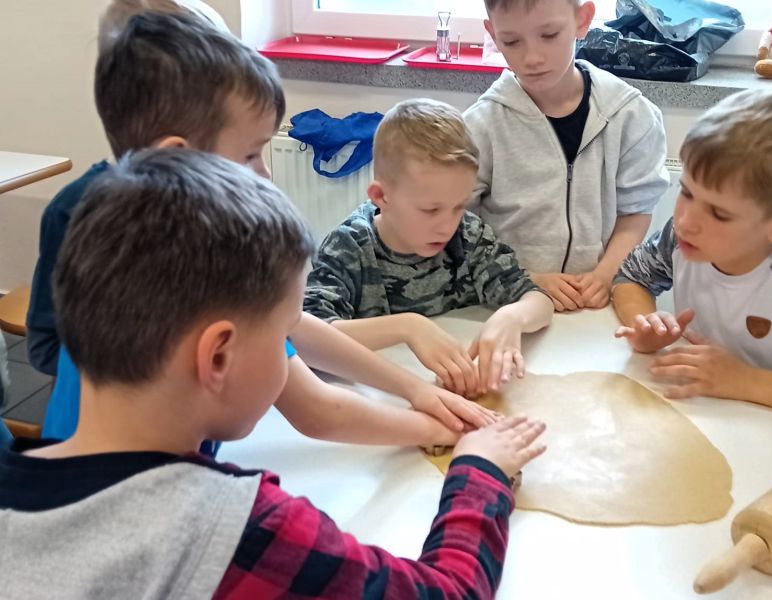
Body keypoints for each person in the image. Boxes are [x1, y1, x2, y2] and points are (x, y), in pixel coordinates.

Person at [0, 149, 548, 598]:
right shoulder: (240, 530)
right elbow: (446, 592)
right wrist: (479, 473)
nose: (293, 345)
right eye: (286, 330)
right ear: (218, 358)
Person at [27, 10, 491, 445]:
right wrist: (446, 431)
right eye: (251, 153)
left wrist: (414, 389)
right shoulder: (182, 268)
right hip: (117, 487)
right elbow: (316, 410)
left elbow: (297, 328)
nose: (265, 174)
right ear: (178, 157)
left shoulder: (151, 231)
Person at [305, 99, 554, 396]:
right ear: (381, 196)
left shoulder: (468, 234)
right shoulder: (349, 247)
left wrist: (512, 317)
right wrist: (408, 327)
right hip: (379, 396)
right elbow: (307, 338)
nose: (447, 225)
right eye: (430, 210)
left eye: (459, 206)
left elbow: (539, 301)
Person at [465, 0, 669, 312]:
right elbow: (460, 228)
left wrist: (604, 276)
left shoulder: (631, 116)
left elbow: (634, 213)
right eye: (512, 41)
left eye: (549, 35)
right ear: (493, 34)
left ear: (582, 20)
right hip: (507, 303)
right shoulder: (478, 127)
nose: (532, 58)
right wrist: (521, 279)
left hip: (593, 307)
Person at [612, 89, 772, 414]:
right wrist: (645, 323)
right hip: (705, 414)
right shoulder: (682, 236)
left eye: (719, 213)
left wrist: (745, 381)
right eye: (686, 192)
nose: (686, 220)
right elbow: (631, 278)